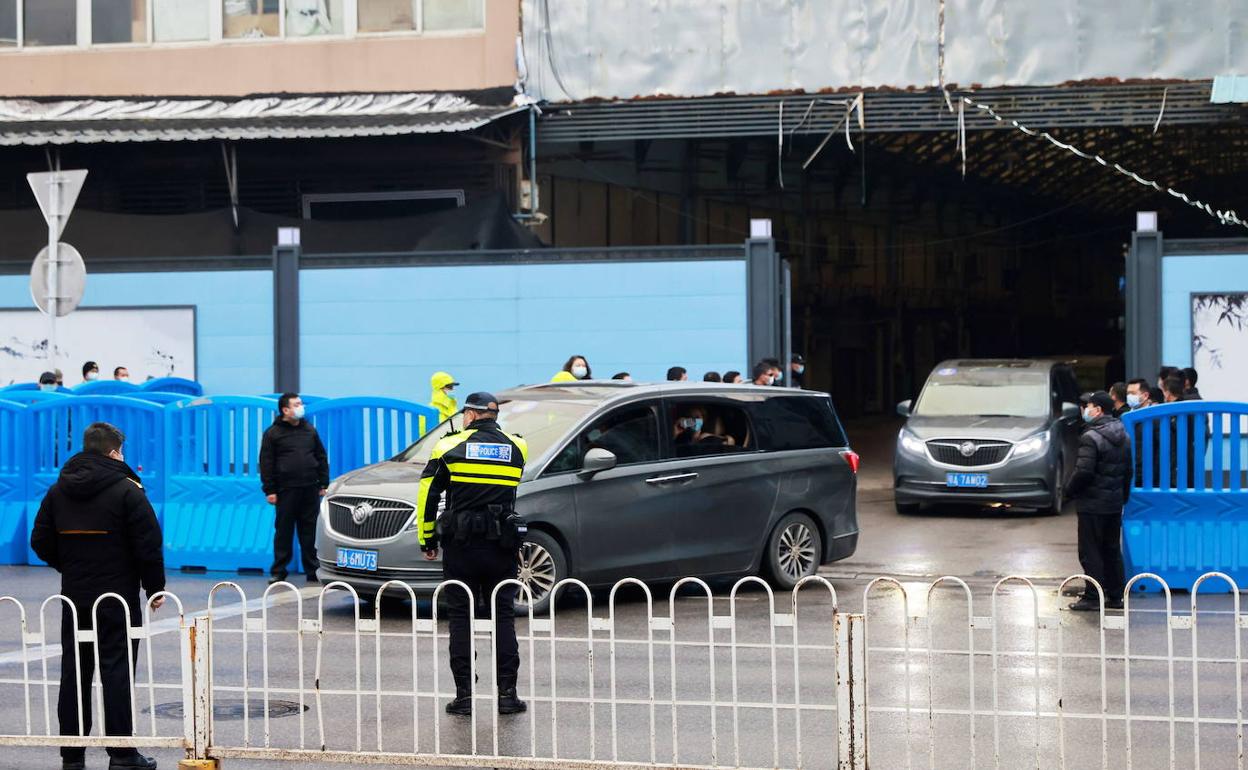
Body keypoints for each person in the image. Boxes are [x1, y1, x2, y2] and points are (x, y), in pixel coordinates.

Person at [30, 422, 165, 770]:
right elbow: (147, 543)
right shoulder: (127, 490)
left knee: (74, 673)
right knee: (116, 671)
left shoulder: (58, 490)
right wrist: (154, 587)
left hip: (75, 596)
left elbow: (40, 541)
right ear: (113, 452)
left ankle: (72, 756)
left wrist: (70, 566)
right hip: (116, 598)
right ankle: (122, 754)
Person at [414, 392, 528, 717]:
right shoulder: (517, 446)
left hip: (461, 546)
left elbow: (427, 494)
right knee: (503, 617)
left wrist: (427, 539)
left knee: (461, 618)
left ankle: (464, 696)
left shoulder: (448, 447)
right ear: (494, 415)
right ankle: (507, 694)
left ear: (470, 414)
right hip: (501, 545)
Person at [1064, 392, 1132, 612]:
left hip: (1092, 504)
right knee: (1111, 550)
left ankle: (1093, 596)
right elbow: (1128, 472)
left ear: (1099, 410)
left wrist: (1069, 491)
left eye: (1089, 406)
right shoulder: (1124, 435)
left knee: (1090, 550)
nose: (1085, 410)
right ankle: (1116, 595)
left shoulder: (1090, 437)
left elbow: (1083, 472)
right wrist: (1122, 498)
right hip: (1113, 504)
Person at [259, 393, 329, 584]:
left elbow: (321, 456)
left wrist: (323, 483)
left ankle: (312, 570)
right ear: (285, 410)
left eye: (301, 403)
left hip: (309, 488)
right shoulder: (273, 433)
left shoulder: (309, 430)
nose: (301, 407)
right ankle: (279, 571)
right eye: (296, 404)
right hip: (285, 489)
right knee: (284, 531)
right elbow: (266, 463)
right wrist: (270, 490)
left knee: (309, 531)